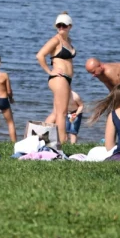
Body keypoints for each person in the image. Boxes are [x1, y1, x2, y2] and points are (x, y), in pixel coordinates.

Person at [35, 12, 76, 147]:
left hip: (66, 79)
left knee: (56, 112)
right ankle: (61, 144)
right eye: (58, 25)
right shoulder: (55, 40)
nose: (61, 28)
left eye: (63, 25)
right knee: (62, 113)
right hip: (59, 78)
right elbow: (40, 55)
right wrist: (50, 71)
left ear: (70, 26)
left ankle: (40, 138)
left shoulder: (68, 41)